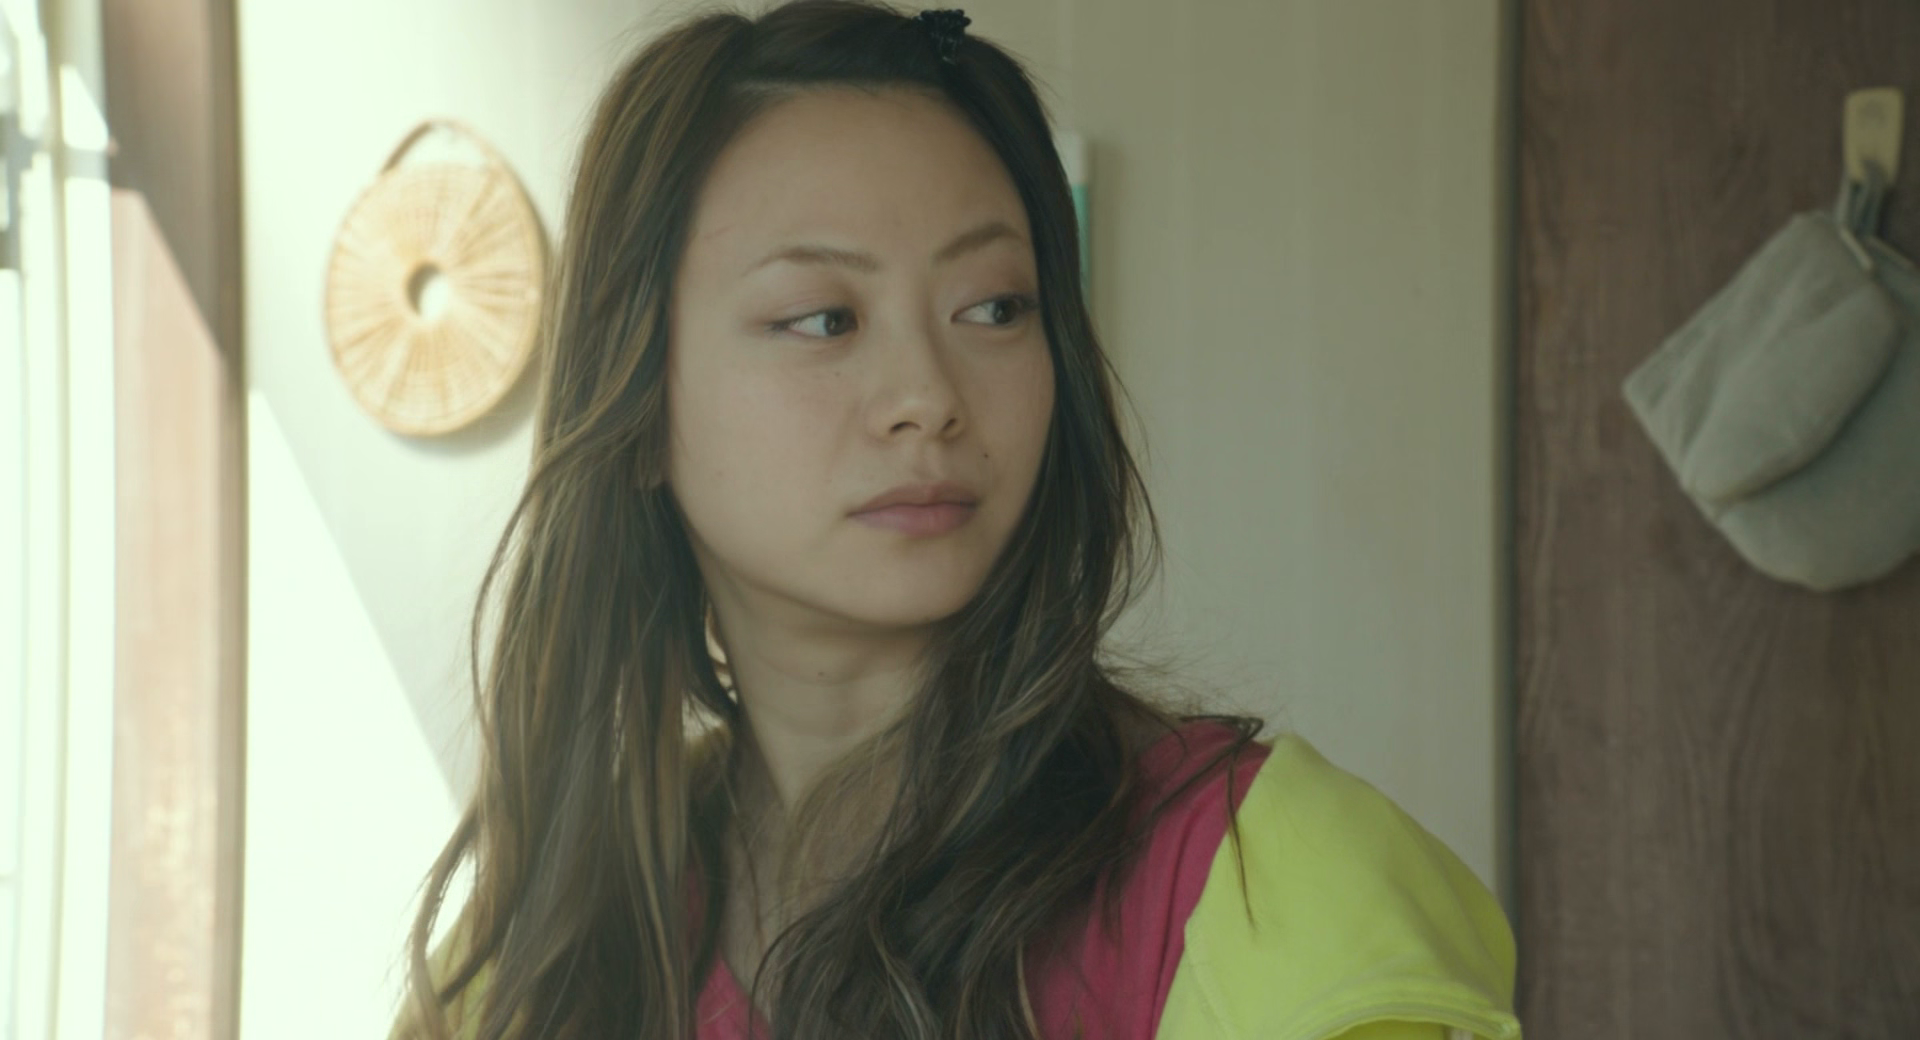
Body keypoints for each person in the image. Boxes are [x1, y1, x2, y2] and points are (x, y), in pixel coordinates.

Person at [390, 3, 1521, 1038]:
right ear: (636, 398)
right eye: (824, 318)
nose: (928, 394)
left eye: (994, 307)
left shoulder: (1261, 883)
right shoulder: (538, 949)